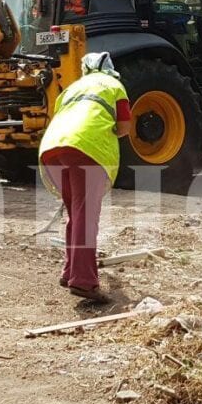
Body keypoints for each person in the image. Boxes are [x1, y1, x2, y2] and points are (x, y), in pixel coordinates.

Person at [39, 52, 132, 302]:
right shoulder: (114, 85)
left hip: (52, 148)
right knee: (86, 215)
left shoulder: (72, 88)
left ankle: (69, 270)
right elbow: (125, 127)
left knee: (76, 212)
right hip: (86, 150)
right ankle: (84, 281)